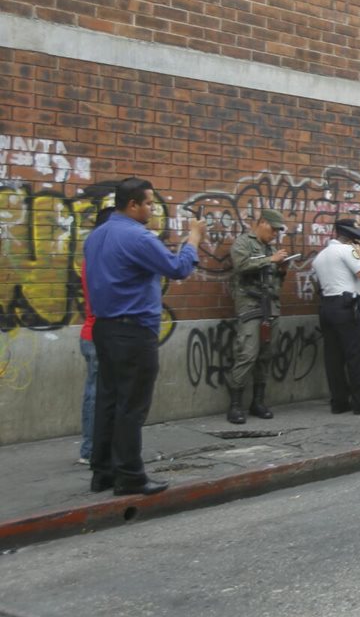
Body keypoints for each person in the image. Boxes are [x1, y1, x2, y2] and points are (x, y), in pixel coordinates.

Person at [85, 177, 204, 496]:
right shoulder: (137, 236)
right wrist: (193, 239)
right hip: (134, 330)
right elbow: (178, 268)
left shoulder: (97, 235)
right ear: (132, 204)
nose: (153, 209)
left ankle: (103, 472)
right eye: (149, 203)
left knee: (109, 399)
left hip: (105, 327)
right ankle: (130, 476)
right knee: (132, 404)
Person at [226, 208, 290, 424]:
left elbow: (275, 283)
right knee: (247, 354)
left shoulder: (270, 248)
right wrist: (270, 259)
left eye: (277, 231)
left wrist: (281, 269)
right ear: (261, 223)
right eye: (272, 229)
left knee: (266, 355)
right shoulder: (244, 243)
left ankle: (258, 401)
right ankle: (235, 405)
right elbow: (241, 266)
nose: (274, 234)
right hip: (250, 307)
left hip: (270, 307)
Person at [312, 218, 360, 415]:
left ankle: (339, 402)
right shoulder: (346, 251)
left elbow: (317, 285)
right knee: (356, 355)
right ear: (350, 238)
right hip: (346, 307)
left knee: (333, 357)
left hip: (327, 307)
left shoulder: (320, 257)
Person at [76, 205, 114, 466]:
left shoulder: (93, 256)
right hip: (99, 334)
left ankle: (95, 448)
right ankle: (91, 450)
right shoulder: (101, 259)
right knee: (98, 395)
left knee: (96, 393)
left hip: (93, 333)